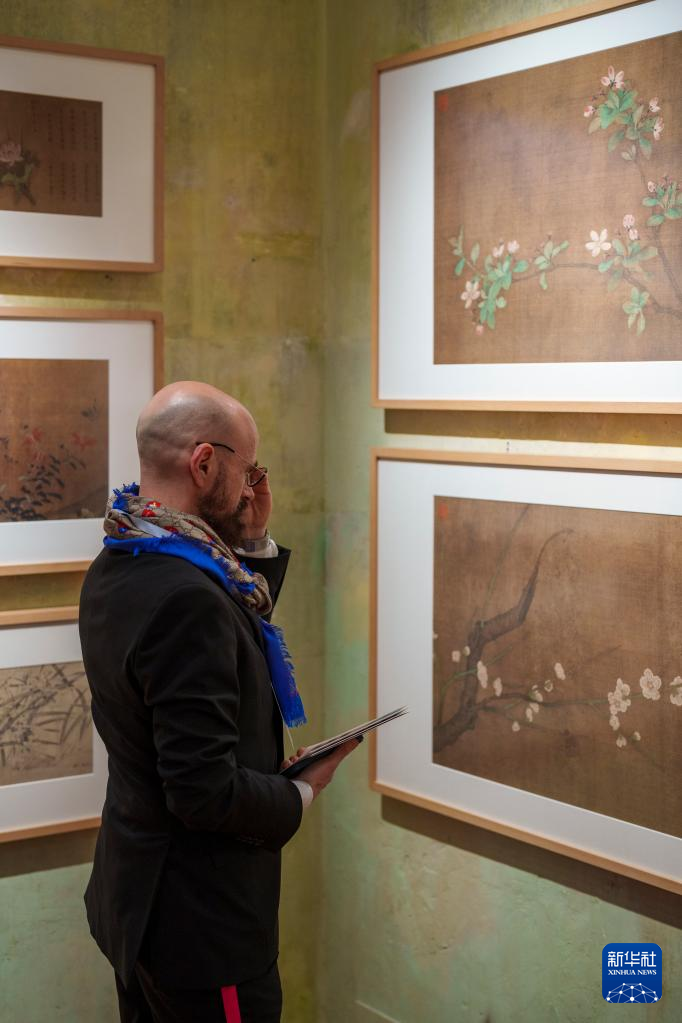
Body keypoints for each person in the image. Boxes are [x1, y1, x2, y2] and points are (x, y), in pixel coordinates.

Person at [79, 381, 358, 1023]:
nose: (255, 485)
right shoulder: (189, 600)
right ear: (205, 463)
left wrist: (252, 541)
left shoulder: (121, 559)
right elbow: (202, 791)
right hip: (202, 932)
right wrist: (299, 791)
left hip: (139, 906)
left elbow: (225, 643)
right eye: (249, 469)